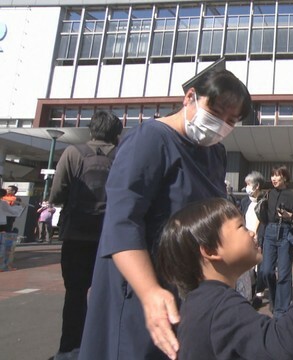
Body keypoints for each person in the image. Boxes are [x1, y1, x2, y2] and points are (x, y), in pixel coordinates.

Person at [78, 66, 252, 360]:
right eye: (217, 111)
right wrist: (149, 291)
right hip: (141, 280)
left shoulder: (214, 153)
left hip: (185, 283)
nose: (221, 124)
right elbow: (122, 220)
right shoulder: (151, 139)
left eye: (231, 121)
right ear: (190, 97)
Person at [156, 198, 293, 360]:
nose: (252, 233)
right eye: (241, 226)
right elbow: (281, 346)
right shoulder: (221, 306)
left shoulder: (201, 301)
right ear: (211, 250)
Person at [49, 110, 123, 360]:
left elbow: (58, 192)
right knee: (111, 295)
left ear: (91, 129)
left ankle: (70, 348)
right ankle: (105, 348)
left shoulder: (73, 153)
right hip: (112, 238)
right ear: (117, 133)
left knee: (75, 294)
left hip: (77, 235)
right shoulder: (121, 155)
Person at [258, 165, 293, 319]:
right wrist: (259, 238)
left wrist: (289, 216)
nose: (273, 178)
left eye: (277, 175)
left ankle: (281, 310)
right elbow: (263, 219)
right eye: (272, 175)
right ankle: (274, 299)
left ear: (285, 177)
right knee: (266, 271)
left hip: (286, 233)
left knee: (284, 273)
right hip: (269, 233)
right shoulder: (268, 194)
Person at [236, 171, 266, 305]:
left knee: (260, 268)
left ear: (257, 186)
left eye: (249, 184)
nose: (247, 187)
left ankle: (258, 293)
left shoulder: (265, 202)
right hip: (246, 238)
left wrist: (259, 235)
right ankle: (250, 296)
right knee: (247, 269)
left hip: (260, 239)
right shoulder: (244, 202)